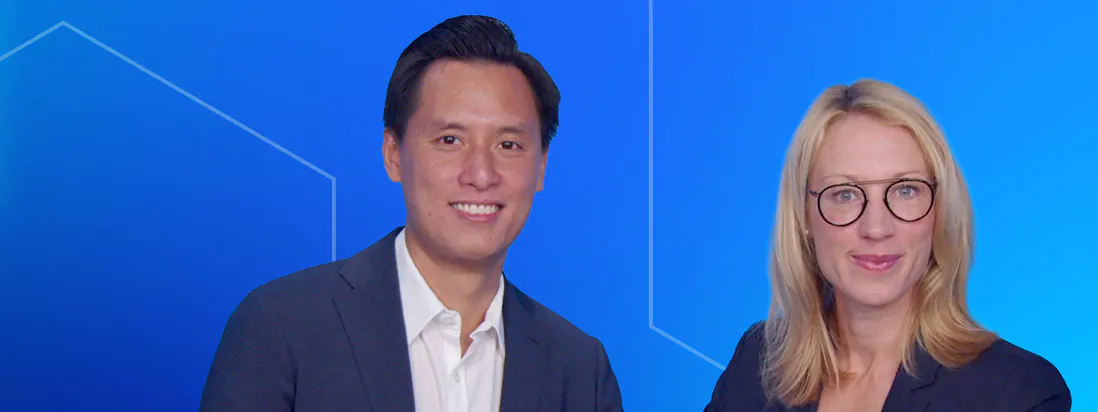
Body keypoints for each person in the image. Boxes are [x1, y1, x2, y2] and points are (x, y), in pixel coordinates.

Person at [199, 15, 623, 412]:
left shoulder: (580, 369)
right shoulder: (282, 326)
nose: (481, 174)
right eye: (450, 139)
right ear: (393, 154)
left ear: (541, 167)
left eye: (508, 145)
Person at [703, 79, 1070, 411]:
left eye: (905, 190)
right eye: (844, 194)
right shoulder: (757, 363)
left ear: (940, 212)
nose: (876, 228)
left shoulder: (1018, 393)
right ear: (804, 218)